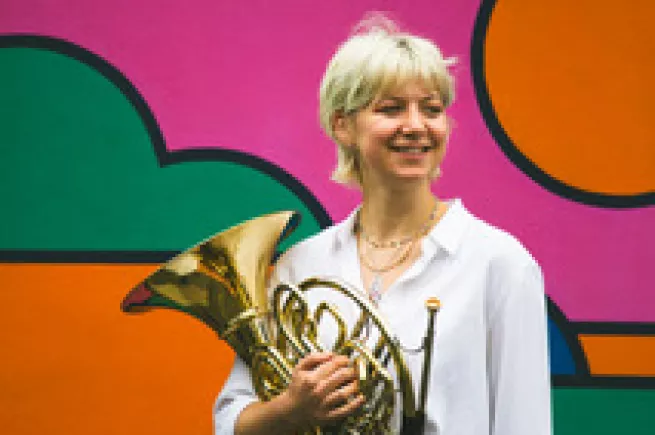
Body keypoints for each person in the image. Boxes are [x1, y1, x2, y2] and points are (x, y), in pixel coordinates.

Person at [213, 15, 551, 435]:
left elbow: (525, 424)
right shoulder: (300, 266)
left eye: (431, 109)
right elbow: (230, 422)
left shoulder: (499, 264)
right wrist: (291, 410)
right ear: (343, 125)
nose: (416, 126)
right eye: (390, 109)